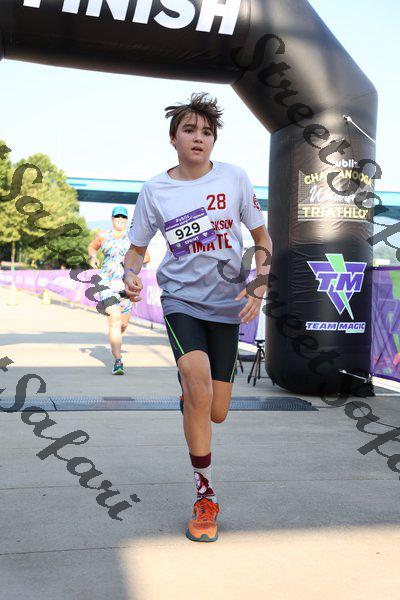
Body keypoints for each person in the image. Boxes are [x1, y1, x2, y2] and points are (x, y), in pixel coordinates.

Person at [123, 93, 272, 542]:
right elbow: (136, 250)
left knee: (217, 411)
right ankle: (205, 495)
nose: (199, 138)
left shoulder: (235, 178)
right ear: (173, 139)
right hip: (181, 301)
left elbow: (262, 239)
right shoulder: (155, 190)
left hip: (227, 307)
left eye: (207, 132)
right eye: (189, 130)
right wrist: (130, 274)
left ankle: (192, 395)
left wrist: (259, 283)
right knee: (198, 381)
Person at [87, 205, 150, 375]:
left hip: (125, 285)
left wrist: (129, 260)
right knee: (114, 318)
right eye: (117, 217)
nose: (120, 220)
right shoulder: (103, 236)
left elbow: (146, 257)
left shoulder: (133, 239)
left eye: (123, 217)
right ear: (112, 219)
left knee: (122, 324)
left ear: (127, 220)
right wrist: (93, 257)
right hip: (106, 281)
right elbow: (92, 247)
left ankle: (115, 340)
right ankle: (118, 361)